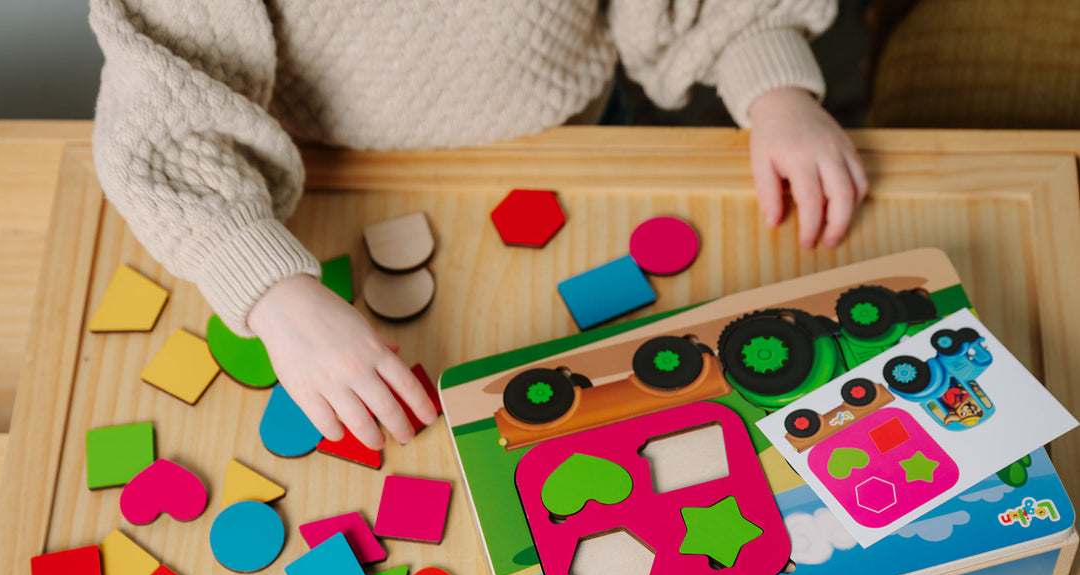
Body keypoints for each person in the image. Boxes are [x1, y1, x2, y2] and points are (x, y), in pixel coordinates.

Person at [88, 0, 868, 451]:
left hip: (569, 141)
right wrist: (272, 292)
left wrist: (774, 87)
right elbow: (162, 105)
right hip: (305, 182)